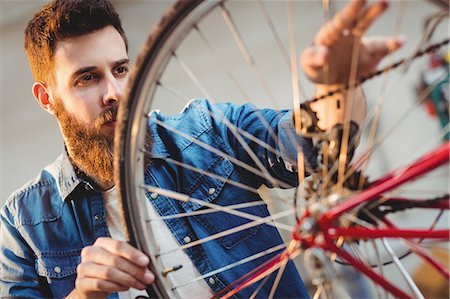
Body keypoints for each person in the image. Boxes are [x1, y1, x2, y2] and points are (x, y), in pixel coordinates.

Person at [0, 0, 403, 298]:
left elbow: (313, 148)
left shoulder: (205, 133)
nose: (115, 93)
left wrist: (339, 84)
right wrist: (83, 295)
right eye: (87, 78)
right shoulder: (23, 223)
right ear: (46, 98)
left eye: (121, 69)